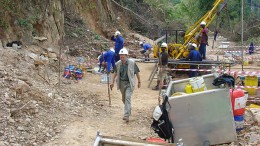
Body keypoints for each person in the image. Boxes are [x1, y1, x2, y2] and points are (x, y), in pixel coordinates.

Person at [110, 48, 141, 122]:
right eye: (121, 57)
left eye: (123, 57)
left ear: (126, 56)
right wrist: (112, 82)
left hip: (130, 83)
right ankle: (128, 109)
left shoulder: (132, 63)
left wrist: (139, 82)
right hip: (121, 83)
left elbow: (137, 72)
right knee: (124, 99)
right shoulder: (118, 64)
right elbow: (115, 73)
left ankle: (126, 115)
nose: (122, 58)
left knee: (127, 97)